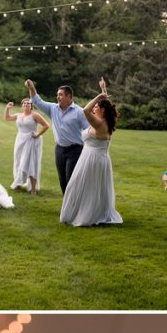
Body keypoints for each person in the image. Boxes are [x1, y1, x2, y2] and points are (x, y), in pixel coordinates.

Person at [58, 80, 122, 226]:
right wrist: (104, 90)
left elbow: (85, 110)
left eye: (97, 107)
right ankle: (83, 212)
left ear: (103, 110)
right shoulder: (109, 119)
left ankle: (87, 215)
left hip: (93, 159)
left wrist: (99, 96)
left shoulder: (99, 124)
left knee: (84, 187)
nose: (94, 108)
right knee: (86, 187)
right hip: (94, 158)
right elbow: (107, 105)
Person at [25, 78, 90, 193]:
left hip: (75, 150)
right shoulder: (52, 108)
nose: (58, 97)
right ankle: (67, 205)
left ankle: (74, 205)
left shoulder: (79, 112)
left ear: (69, 96)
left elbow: (89, 129)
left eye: (60, 95)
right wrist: (31, 87)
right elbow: (36, 101)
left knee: (71, 178)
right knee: (62, 180)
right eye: (57, 95)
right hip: (59, 149)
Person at [6, 98, 49, 194]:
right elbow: (7, 118)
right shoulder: (18, 115)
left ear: (31, 106)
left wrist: (38, 134)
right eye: (24, 103)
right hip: (20, 140)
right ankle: (18, 183)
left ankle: (33, 188)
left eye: (28, 103)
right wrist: (7, 108)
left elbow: (46, 125)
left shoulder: (35, 115)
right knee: (18, 161)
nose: (26, 104)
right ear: (22, 106)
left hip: (31, 140)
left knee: (30, 163)